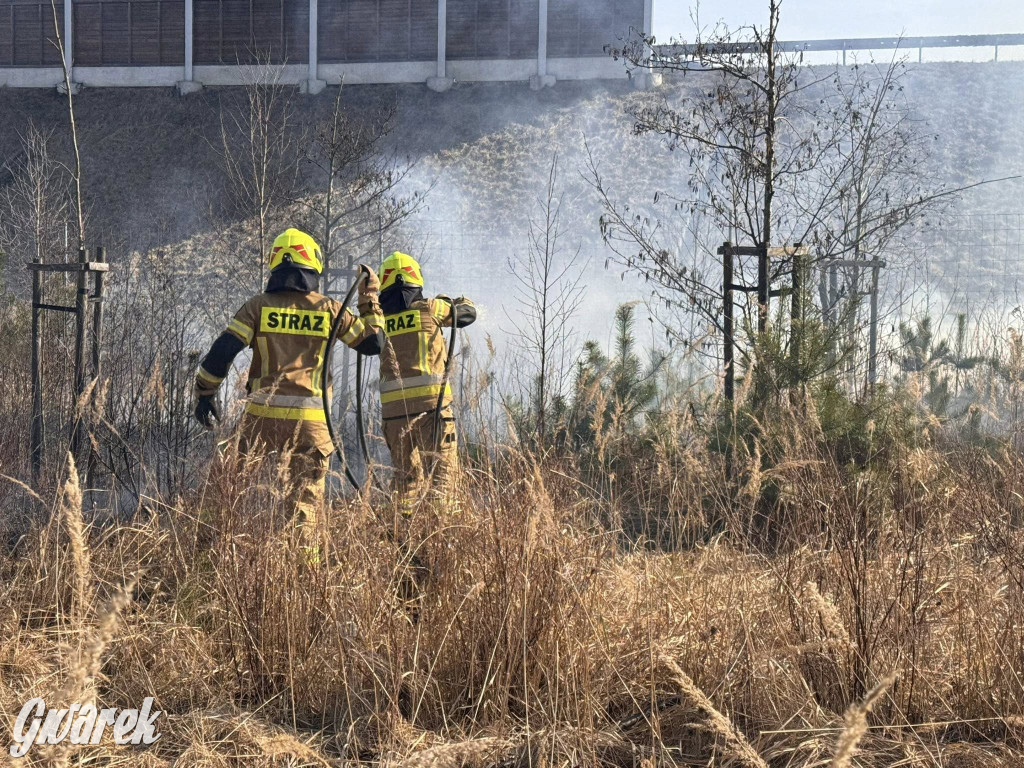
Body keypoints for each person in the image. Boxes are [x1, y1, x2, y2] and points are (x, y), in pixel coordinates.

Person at [193, 228, 384, 557]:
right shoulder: (329, 309)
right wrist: (370, 297)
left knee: (233, 491)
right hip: (311, 426)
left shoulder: (258, 306)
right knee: (302, 510)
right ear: (313, 267)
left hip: (260, 423)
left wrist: (205, 393)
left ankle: (221, 561)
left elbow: (223, 350)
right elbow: (373, 343)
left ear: (276, 267)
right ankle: (303, 581)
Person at [376, 251, 476, 519]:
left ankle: (399, 533)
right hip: (433, 410)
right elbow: (467, 313)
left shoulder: (380, 320)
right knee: (443, 474)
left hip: (394, 415)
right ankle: (442, 534)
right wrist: (450, 300)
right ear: (415, 281)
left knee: (405, 480)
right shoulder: (430, 308)